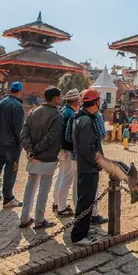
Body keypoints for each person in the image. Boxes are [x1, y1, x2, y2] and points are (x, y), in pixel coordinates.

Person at [70, 88, 138, 246]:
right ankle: (79, 235)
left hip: (85, 166)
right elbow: (88, 149)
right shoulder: (86, 121)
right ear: (95, 102)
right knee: (85, 201)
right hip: (88, 168)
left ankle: (83, 229)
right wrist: (100, 162)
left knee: (86, 200)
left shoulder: (81, 118)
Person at [19, 86, 63, 229]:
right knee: (44, 189)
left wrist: (30, 150)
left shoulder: (34, 112)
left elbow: (24, 133)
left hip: (33, 156)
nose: (60, 100)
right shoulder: (57, 115)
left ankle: (24, 217)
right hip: (47, 156)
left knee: (30, 186)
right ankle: (39, 218)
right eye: (59, 97)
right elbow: (51, 138)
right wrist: (36, 150)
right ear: (56, 98)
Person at [0, 81, 24, 208]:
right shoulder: (17, 106)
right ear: (20, 91)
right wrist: (20, 143)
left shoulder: (0, 103)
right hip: (12, 143)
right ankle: (8, 198)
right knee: (10, 171)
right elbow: (18, 128)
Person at [53, 89, 81, 217]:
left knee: (61, 176)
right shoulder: (72, 114)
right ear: (76, 101)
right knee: (66, 179)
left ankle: (57, 203)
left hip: (61, 148)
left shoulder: (63, 110)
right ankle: (62, 208)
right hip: (68, 149)